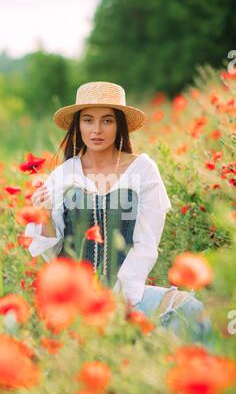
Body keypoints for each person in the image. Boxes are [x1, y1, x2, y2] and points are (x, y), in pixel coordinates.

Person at [25, 81, 212, 344]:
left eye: (107, 120)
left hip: (128, 293)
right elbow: (51, 253)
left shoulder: (143, 170)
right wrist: (43, 213)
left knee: (190, 310)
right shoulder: (63, 175)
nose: (97, 130)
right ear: (78, 125)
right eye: (88, 120)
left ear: (119, 124)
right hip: (75, 299)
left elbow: (146, 245)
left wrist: (119, 297)